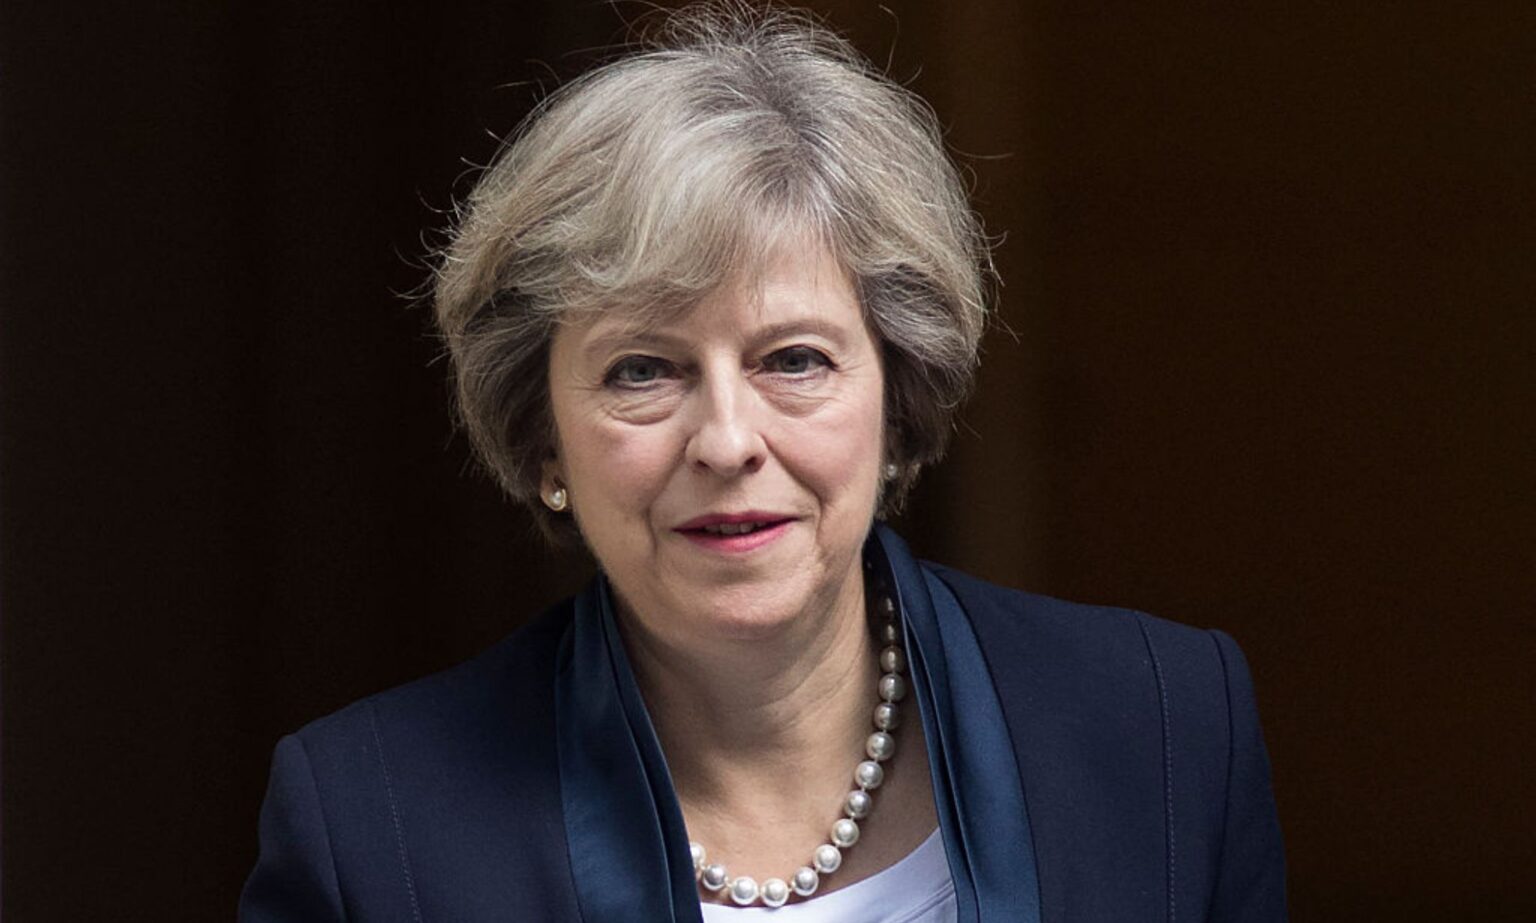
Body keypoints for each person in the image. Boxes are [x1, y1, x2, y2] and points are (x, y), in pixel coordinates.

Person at [239, 4, 1286, 921]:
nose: (729, 440)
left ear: (897, 389)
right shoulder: (373, 825)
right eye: (644, 369)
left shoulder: (1160, 727)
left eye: (793, 359)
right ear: (542, 433)